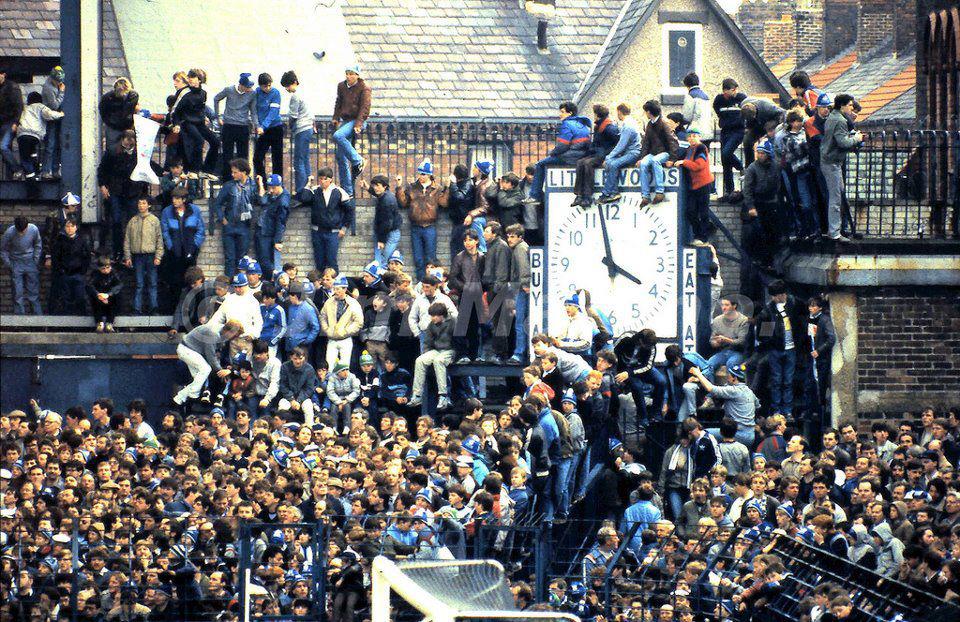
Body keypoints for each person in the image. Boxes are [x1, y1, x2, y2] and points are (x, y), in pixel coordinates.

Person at [526, 101, 592, 207]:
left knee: (540, 164)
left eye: (562, 112)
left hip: (569, 157)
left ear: (570, 113)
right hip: (582, 156)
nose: (560, 114)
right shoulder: (583, 125)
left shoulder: (567, 124)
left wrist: (553, 153)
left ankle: (535, 195)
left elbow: (563, 145)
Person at [757, 280, 806, 417]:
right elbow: (764, 335)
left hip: (791, 348)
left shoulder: (794, 305)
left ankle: (787, 410)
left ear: (782, 294)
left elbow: (802, 323)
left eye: (775, 295)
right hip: (776, 349)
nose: (773, 298)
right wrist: (771, 343)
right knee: (777, 381)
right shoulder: (768, 311)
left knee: (788, 381)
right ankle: (777, 410)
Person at [97, 130, 148, 257]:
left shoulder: (139, 153)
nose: (129, 143)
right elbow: (102, 169)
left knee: (132, 222)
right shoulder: (112, 151)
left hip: (133, 191)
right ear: (122, 139)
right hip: (116, 190)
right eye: (127, 140)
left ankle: (131, 251)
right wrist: (102, 185)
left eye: (131, 141)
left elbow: (146, 168)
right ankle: (118, 251)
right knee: (116, 221)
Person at [397, 159, 449, 280]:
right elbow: (403, 203)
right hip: (415, 227)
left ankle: (431, 283)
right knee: (418, 259)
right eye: (420, 173)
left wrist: (447, 188)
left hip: (430, 226)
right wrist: (399, 187)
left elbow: (444, 203)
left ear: (430, 174)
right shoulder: (412, 187)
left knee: (430, 259)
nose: (421, 176)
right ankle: (421, 283)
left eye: (424, 174)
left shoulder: (437, 188)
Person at [821, 94, 862, 243]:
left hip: (830, 161)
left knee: (839, 195)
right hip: (832, 163)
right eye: (850, 105)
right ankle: (834, 233)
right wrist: (857, 138)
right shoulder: (840, 120)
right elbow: (843, 142)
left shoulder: (832, 117)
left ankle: (837, 229)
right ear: (842, 106)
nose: (851, 108)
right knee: (836, 198)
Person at [173, 319, 243, 407]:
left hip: (194, 351)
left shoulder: (222, 331)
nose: (234, 338)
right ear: (229, 331)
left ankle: (179, 399)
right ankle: (193, 395)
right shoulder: (213, 333)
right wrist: (221, 372)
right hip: (186, 349)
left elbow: (216, 352)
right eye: (235, 335)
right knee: (206, 369)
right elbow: (211, 357)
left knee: (198, 379)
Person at [689, 363, 759, 447]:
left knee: (703, 434)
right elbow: (757, 406)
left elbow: (711, 389)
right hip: (750, 434)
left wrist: (698, 374)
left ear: (734, 378)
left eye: (729, 374)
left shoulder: (734, 391)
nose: (727, 376)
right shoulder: (750, 392)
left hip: (738, 434)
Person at [160, 187, 205, 311]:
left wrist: (195, 245)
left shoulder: (194, 210)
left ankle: (192, 308)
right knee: (175, 281)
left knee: (191, 279)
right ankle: (175, 309)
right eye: (173, 198)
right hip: (174, 253)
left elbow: (200, 229)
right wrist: (170, 246)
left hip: (190, 251)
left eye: (177, 198)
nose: (174, 201)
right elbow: (164, 231)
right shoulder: (167, 212)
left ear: (184, 200)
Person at [300, 166, 353, 272]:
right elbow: (304, 199)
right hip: (317, 231)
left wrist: (344, 228)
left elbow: (349, 211)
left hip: (333, 232)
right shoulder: (314, 190)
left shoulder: (339, 191)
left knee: (331, 261)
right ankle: (319, 281)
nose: (322, 181)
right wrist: (308, 184)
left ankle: (334, 281)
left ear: (331, 179)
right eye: (320, 179)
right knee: (319, 261)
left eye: (325, 179)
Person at [332, 65, 372, 198]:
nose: (348, 76)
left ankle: (358, 160)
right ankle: (348, 191)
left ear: (357, 75)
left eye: (351, 74)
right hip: (346, 120)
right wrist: (335, 117)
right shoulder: (341, 86)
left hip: (357, 120)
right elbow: (338, 102)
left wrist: (358, 124)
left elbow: (365, 108)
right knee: (340, 157)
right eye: (347, 73)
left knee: (338, 135)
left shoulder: (364, 88)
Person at [172, 68, 219, 178]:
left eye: (193, 77)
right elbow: (176, 111)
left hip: (199, 122)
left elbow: (200, 108)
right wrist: (176, 124)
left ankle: (207, 170)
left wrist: (205, 117)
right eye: (189, 77)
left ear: (199, 80)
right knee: (199, 140)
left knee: (215, 142)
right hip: (187, 122)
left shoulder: (203, 93)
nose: (190, 79)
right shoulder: (185, 93)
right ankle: (194, 170)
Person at [214, 158, 257, 277]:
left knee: (242, 259)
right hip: (230, 225)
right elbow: (218, 204)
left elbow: (261, 200)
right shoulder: (229, 186)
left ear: (244, 172)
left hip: (244, 225)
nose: (232, 174)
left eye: (235, 172)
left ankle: (241, 282)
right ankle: (228, 284)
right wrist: (223, 219)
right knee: (229, 258)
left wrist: (261, 185)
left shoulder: (253, 186)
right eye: (232, 172)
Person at [615, 328, 667, 426]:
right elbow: (613, 354)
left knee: (661, 381)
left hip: (640, 368)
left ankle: (656, 413)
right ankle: (643, 416)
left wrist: (630, 373)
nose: (648, 348)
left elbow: (648, 366)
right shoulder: (626, 338)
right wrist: (617, 372)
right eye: (646, 345)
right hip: (624, 368)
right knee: (637, 386)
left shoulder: (652, 346)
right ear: (640, 340)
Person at [632, 99, 680, 206]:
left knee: (655, 161)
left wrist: (672, 159)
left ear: (649, 112)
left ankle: (659, 192)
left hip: (665, 152)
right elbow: (646, 143)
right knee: (643, 163)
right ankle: (645, 195)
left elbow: (672, 141)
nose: (645, 113)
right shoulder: (649, 124)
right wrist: (642, 158)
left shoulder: (664, 124)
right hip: (654, 153)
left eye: (645, 111)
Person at [572, 104, 620, 206]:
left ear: (597, 115)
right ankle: (579, 195)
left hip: (603, 155)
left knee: (587, 164)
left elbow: (617, 143)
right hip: (597, 153)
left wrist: (608, 155)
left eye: (594, 114)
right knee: (580, 162)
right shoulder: (599, 126)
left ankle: (587, 196)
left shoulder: (609, 127)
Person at [123, 196, 164, 315]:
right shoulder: (133, 221)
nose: (141, 206)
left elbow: (159, 239)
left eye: (144, 203)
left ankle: (154, 308)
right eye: (139, 203)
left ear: (149, 205)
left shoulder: (154, 220)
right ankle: (137, 309)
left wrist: (158, 256)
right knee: (139, 284)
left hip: (151, 255)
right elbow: (127, 240)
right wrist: (127, 257)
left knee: (153, 283)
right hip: (137, 256)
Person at [673, 128, 715, 244]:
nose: (691, 138)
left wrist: (684, 162)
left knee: (703, 212)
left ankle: (703, 237)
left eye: (694, 136)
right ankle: (699, 234)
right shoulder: (689, 149)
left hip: (703, 184)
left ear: (699, 137)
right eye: (690, 136)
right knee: (690, 211)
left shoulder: (701, 148)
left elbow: (698, 166)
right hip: (694, 186)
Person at [595, 102, 643, 205]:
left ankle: (606, 193)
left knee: (613, 164)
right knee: (610, 163)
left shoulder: (628, 126)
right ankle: (614, 192)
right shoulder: (629, 123)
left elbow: (621, 145)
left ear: (620, 112)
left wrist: (608, 157)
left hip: (633, 153)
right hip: (630, 152)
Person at [213, 73, 257, 181]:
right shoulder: (229, 90)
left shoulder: (252, 94)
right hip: (228, 125)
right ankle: (227, 180)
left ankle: (243, 180)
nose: (250, 89)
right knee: (227, 155)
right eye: (248, 87)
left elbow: (253, 111)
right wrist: (217, 116)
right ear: (241, 85)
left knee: (243, 156)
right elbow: (216, 98)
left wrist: (256, 125)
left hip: (243, 126)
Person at [713, 78, 747, 203]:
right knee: (725, 161)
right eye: (732, 90)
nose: (735, 92)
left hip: (738, 131)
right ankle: (729, 191)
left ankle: (740, 167)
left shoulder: (742, 98)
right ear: (724, 91)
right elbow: (718, 111)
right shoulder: (719, 100)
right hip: (725, 131)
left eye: (735, 89)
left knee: (726, 153)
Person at [16, 91, 64, 181]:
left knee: (25, 157)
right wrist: (61, 114)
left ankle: (31, 175)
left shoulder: (25, 109)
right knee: (32, 153)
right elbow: (49, 114)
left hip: (22, 135)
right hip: (34, 136)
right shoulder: (41, 107)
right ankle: (34, 174)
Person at [1, 216, 43, 314]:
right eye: (19, 231)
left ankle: (38, 318)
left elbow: (38, 244)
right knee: (17, 293)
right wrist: (9, 264)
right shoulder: (9, 232)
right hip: (16, 262)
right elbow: (2, 249)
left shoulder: (33, 229)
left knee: (33, 293)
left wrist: (36, 259)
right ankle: (19, 319)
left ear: (27, 226)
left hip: (30, 261)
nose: (21, 233)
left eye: (23, 231)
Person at [320, 276, 363, 369]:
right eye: (334, 289)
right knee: (330, 367)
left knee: (345, 367)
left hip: (346, 339)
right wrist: (327, 330)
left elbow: (359, 322)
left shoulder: (353, 303)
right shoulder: (329, 302)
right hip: (332, 339)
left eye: (338, 289)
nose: (335, 291)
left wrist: (346, 331)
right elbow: (322, 316)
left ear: (345, 289)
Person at [49, 216, 90, 315]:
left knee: (80, 296)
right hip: (65, 273)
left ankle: (81, 318)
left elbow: (87, 256)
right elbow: (56, 257)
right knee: (66, 298)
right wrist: (60, 270)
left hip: (78, 273)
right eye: (67, 226)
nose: (70, 228)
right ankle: (68, 318)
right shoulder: (60, 240)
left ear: (76, 227)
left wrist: (83, 270)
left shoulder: (82, 240)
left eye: (72, 226)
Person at [804, 295, 836, 422]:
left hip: (821, 359)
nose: (810, 308)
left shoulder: (824, 320)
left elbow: (831, 338)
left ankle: (820, 412)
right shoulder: (809, 319)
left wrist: (819, 350)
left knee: (820, 385)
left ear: (820, 308)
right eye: (809, 306)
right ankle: (810, 411)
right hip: (810, 357)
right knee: (809, 385)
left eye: (813, 306)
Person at [255, 173, 290, 280]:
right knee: (262, 260)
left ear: (279, 186)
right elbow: (262, 200)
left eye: (273, 188)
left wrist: (278, 241)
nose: (270, 190)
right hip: (262, 230)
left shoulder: (283, 201)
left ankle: (273, 280)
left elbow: (281, 222)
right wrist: (261, 185)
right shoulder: (274, 195)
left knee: (266, 261)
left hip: (268, 233)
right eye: (269, 187)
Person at [505, 224, 530, 364]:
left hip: (521, 289)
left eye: (513, 236)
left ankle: (519, 353)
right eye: (508, 236)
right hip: (520, 288)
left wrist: (525, 284)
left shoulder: (520, 249)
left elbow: (524, 268)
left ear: (520, 237)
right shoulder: (520, 247)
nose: (509, 239)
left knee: (520, 323)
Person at [364, 174, 402, 266]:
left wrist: (381, 240)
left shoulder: (387, 200)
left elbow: (387, 223)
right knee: (380, 261)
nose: (375, 188)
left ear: (384, 186)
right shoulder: (385, 195)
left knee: (383, 261)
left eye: (377, 185)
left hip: (389, 233)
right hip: (384, 232)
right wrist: (368, 188)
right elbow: (377, 193)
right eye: (374, 185)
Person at [740, 96, 785, 169]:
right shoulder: (743, 105)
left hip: (771, 121)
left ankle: (774, 163)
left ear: (755, 113)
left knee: (772, 140)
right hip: (757, 125)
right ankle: (749, 167)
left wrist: (776, 127)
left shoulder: (768, 107)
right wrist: (747, 127)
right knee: (747, 141)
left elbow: (783, 113)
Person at [253, 73, 283, 181]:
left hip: (275, 128)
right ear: (260, 86)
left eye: (269, 85)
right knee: (257, 158)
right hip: (263, 130)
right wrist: (257, 125)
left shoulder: (275, 93)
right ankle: (263, 184)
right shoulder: (256, 93)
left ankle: (277, 184)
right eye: (265, 86)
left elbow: (273, 112)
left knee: (277, 159)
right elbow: (254, 110)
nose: (268, 88)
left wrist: (263, 126)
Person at [707, 297, 750, 372]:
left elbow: (742, 342)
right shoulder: (717, 320)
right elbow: (712, 340)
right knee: (709, 364)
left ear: (734, 306)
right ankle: (707, 379)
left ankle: (735, 379)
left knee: (731, 364)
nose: (723, 308)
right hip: (723, 352)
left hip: (739, 352)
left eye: (727, 305)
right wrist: (716, 343)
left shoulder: (743, 320)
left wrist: (726, 340)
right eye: (722, 305)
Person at [98, 77, 138, 147]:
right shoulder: (107, 98)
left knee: (128, 147)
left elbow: (128, 110)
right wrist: (110, 123)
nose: (123, 95)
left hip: (127, 126)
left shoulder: (133, 96)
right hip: (113, 127)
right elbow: (103, 112)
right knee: (113, 147)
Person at [86, 255, 123, 333]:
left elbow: (119, 285)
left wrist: (109, 294)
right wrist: (98, 295)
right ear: (99, 268)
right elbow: (90, 286)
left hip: (110, 297)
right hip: (99, 297)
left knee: (118, 297)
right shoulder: (95, 274)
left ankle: (109, 322)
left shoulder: (114, 273)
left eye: (108, 268)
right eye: (103, 268)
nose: (106, 270)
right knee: (93, 299)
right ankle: (99, 322)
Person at [284, 281, 320, 356]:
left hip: (302, 347)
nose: (289, 298)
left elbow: (315, 327)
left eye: (290, 296)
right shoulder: (289, 306)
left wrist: (307, 341)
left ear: (295, 296)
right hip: (289, 346)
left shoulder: (308, 309)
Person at [0, 69, 24, 176]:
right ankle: (10, 174)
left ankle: (17, 169)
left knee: (3, 147)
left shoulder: (12, 87)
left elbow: (19, 106)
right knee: (5, 148)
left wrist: (16, 122)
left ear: (3, 75)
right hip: (4, 122)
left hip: (10, 122)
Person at [681, 72, 714, 143]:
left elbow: (687, 117)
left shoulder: (690, 96)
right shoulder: (706, 96)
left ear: (686, 85)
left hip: (695, 133)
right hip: (708, 131)